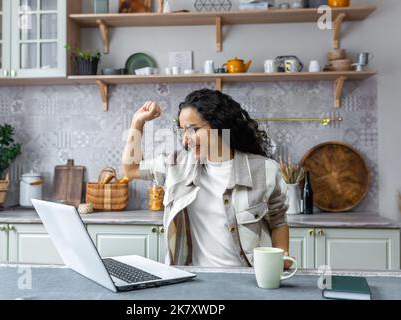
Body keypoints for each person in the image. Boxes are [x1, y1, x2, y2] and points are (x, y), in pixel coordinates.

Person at [122, 89, 291, 268]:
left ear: (219, 125)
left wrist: (282, 259)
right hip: (195, 279)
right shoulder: (177, 165)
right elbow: (131, 169)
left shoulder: (263, 169)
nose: (186, 141)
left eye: (193, 130)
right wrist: (137, 121)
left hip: (250, 277)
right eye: (182, 132)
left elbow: (278, 220)